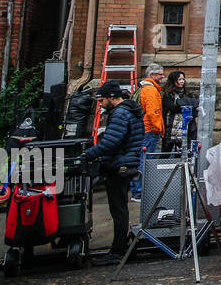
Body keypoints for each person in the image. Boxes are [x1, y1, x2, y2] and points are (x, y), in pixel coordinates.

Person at [83, 81, 144, 259]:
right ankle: (120, 247)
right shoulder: (129, 110)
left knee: (118, 210)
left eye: (101, 100)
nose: (100, 105)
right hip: (126, 163)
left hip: (119, 165)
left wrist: (87, 155)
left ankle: (118, 251)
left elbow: (111, 142)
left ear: (111, 97)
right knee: (120, 209)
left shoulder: (120, 113)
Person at [133, 63, 165, 200]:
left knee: (142, 159)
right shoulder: (151, 91)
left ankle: (137, 190)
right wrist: (159, 129)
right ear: (152, 75)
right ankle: (139, 191)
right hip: (150, 130)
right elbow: (153, 112)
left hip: (146, 128)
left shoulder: (145, 88)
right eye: (160, 74)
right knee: (145, 160)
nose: (162, 76)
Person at [160, 70, 194, 152]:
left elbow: (192, 105)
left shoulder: (187, 93)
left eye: (183, 79)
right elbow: (172, 108)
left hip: (183, 125)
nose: (182, 81)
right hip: (170, 125)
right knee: (167, 149)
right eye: (179, 79)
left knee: (181, 150)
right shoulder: (168, 94)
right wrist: (182, 105)